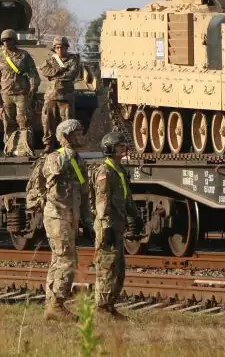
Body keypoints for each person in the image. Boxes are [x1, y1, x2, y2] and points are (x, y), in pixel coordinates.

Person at [40, 119, 93, 321]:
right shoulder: (55, 157)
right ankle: (57, 304)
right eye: (77, 133)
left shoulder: (78, 161)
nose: (82, 136)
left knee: (59, 259)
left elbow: (83, 190)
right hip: (57, 215)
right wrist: (67, 148)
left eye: (82, 132)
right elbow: (56, 170)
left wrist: (87, 220)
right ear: (66, 137)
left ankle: (52, 305)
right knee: (66, 260)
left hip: (71, 217)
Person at [91, 132, 141, 320]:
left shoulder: (119, 170)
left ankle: (109, 305)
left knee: (118, 267)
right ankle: (102, 307)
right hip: (108, 226)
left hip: (117, 224)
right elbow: (102, 200)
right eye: (120, 146)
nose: (124, 148)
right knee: (107, 266)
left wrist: (135, 215)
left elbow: (126, 197)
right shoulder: (105, 171)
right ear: (110, 148)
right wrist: (105, 226)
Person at [0, 29, 40, 156]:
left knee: (24, 121)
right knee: (8, 123)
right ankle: (10, 148)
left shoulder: (24, 55)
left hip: (21, 94)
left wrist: (34, 86)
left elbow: (32, 72)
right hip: (6, 94)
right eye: (3, 40)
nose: (6, 42)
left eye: (8, 39)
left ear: (14, 40)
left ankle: (25, 149)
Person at [39, 36, 82, 153]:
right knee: (48, 121)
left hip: (66, 96)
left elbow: (72, 74)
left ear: (66, 47)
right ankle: (48, 144)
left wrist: (55, 76)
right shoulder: (50, 60)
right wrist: (58, 71)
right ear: (54, 49)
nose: (60, 50)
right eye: (57, 48)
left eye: (62, 47)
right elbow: (44, 71)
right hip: (51, 96)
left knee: (67, 123)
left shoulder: (73, 59)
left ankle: (67, 145)